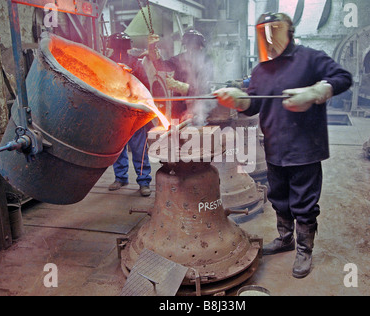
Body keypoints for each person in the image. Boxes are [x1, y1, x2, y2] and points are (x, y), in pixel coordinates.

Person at [214, 13, 353, 278]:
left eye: (274, 29)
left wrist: (316, 92)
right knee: (279, 197)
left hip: (305, 148)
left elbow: (343, 77)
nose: (268, 36)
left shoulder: (310, 58)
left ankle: (304, 249)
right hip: (274, 145)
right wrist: (239, 100)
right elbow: (254, 104)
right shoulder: (260, 70)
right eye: (263, 30)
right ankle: (285, 238)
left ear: (289, 31)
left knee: (304, 202)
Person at [107, 32, 152, 197]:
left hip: (133, 113)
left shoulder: (135, 64)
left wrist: (131, 78)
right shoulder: (107, 63)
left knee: (139, 149)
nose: (119, 48)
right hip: (115, 114)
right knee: (118, 148)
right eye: (117, 45)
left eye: (121, 45)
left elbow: (145, 86)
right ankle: (121, 177)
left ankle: (144, 181)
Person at [148, 29, 214, 122]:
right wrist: (152, 48)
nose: (191, 49)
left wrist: (180, 86)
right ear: (185, 46)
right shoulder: (179, 59)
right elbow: (161, 66)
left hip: (199, 110)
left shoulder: (206, 63)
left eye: (195, 46)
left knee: (197, 133)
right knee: (175, 133)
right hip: (178, 109)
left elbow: (204, 89)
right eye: (189, 46)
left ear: (200, 47)